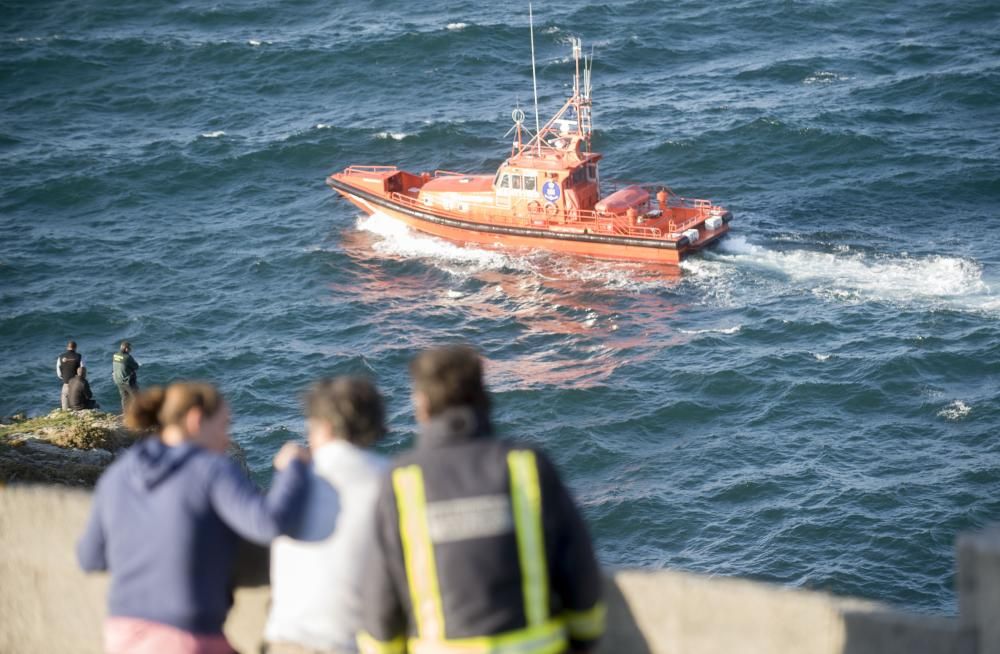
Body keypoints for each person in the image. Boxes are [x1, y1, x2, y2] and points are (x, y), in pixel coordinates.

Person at [357, 345, 605, 654]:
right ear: (483, 395)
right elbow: (578, 567)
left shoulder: (402, 480)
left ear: (421, 404)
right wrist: (584, 638)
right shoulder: (526, 464)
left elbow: (381, 596)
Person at [76, 382, 310, 654]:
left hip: (122, 635)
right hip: (186, 638)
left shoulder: (118, 475)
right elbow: (268, 524)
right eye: (223, 426)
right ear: (195, 419)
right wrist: (291, 468)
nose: (226, 439)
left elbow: (89, 558)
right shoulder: (209, 469)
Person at [265, 377, 389, 654]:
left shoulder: (295, 478)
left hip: (285, 639)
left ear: (325, 427)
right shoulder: (387, 479)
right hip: (351, 643)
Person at [112, 341, 140, 412]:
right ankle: (136, 414)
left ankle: (125, 413)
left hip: (118, 380)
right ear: (126, 349)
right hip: (127, 381)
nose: (131, 350)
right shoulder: (127, 357)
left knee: (124, 397)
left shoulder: (115, 355)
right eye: (130, 348)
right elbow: (136, 366)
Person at [56, 340, 84, 410]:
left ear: (67, 347)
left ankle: (65, 413)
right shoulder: (78, 356)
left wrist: (64, 378)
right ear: (75, 348)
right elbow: (82, 369)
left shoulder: (61, 357)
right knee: (77, 401)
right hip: (76, 384)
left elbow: (59, 373)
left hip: (66, 383)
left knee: (64, 402)